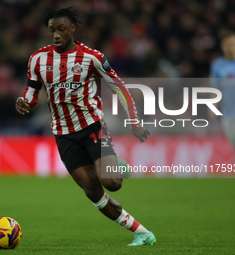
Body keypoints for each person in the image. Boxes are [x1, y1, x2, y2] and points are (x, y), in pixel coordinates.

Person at [16, 8, 156, 245]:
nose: (56, 35)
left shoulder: (92, 57)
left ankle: (117, 166)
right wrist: (23, 102)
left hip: (91, 126)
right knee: (94, 193)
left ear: (72, 29)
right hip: (63, 134)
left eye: (61, 29)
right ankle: (142, 232)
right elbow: (31, 93)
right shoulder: (37, 59)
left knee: (112, 182)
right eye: (52, 30)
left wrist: (134, 121)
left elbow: (119, 87)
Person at [210, 31, 235, 200]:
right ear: (223, 47)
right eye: (227, 44)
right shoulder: (217, 66)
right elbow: (216, 89)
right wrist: (212, 107)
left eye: (233, 44)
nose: (230, 47)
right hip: (228, 114)